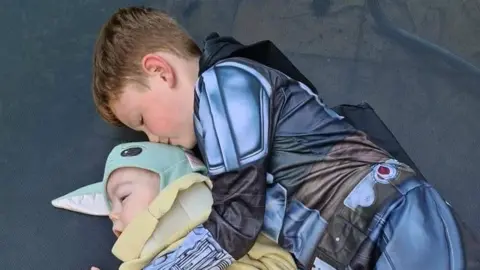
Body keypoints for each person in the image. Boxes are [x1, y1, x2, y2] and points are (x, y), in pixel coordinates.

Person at [90, 6, 480, 270]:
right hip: (357, 241)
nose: (154, 136)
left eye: (142, 119)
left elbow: (237, 222)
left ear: (159, 70)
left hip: (384, 224)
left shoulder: (225, 85)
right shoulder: (217, 140)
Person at [51, 142, 297, 270]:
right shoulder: (143, 258)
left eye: (124, 197)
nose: (113, 214)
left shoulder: (215, 213)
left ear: (174, 183)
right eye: (110, 208)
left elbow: (278, 259)